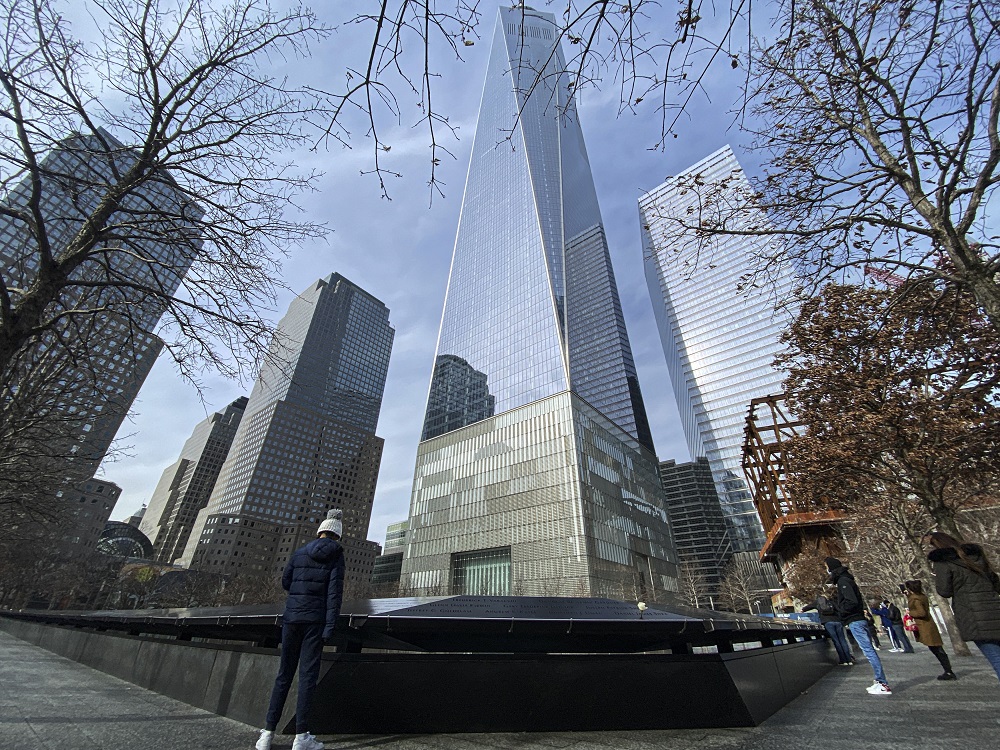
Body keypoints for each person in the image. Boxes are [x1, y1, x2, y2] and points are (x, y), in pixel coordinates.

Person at [256, 510, 346, 750]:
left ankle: (266, 734)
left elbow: (286, 582)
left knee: (283, 675)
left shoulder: (299, 552)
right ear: (337, 535)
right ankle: (301, 736)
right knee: (307, 677)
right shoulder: (336, 554)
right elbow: (334, 593)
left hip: (292, 618)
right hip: (314, 622)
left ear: (320, 532)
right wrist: (330, 625)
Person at [925, 531, 1000, 682]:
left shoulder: (943, 561)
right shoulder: (976, 556)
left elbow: (944, 591)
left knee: (996, 658)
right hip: (995, 610)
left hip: (974, 616)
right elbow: (996, 583)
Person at [826, 557, 891, 695]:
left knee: (868, 651)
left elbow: (851, 601)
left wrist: (841, 611)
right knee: (868, 650)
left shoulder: (844, 582)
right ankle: (880, 681)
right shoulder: (845, 580)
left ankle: (882, 682)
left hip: (854, 620)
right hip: (856, 619)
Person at [903, 579, 957, 681]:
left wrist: (911, 613)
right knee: (937, 649)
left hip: (925, 626)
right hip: (928, 625)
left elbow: (921, 612)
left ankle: (948, 671)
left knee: (937, 649)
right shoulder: (920, 596)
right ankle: (948, 670)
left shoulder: (916, 599)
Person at [803, 590, 854, 665]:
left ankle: (843, 660)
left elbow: (806, 608)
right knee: (843, 641)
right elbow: (839, 610)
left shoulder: (818, 601)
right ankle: (849, 660)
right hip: (838, 622)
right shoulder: (832, 601)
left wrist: (802, 610)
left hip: (828, 622)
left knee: (836, 641)